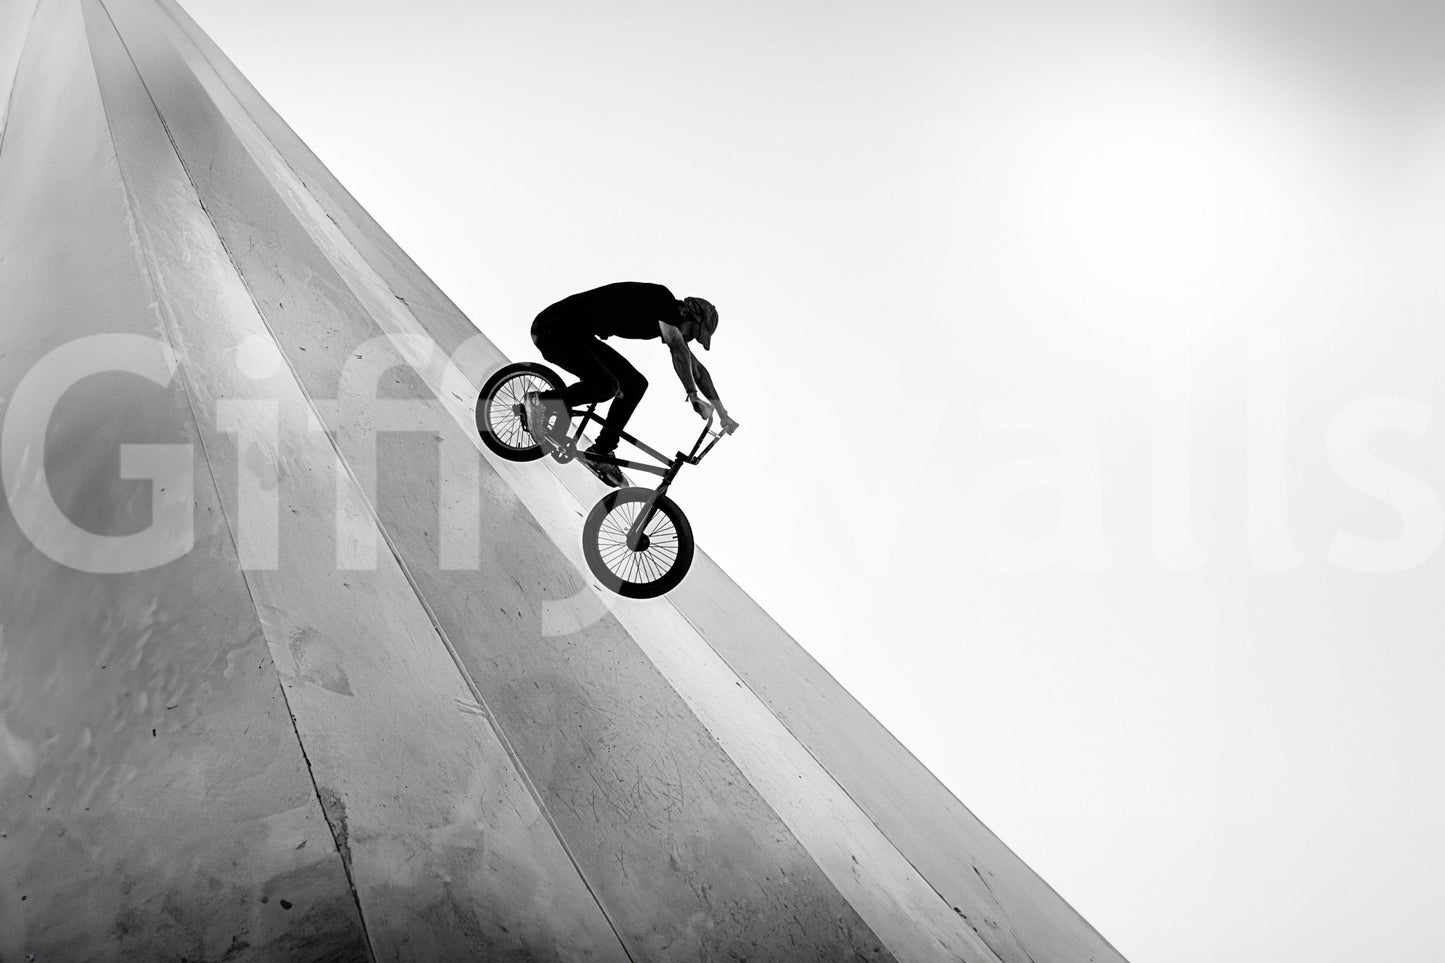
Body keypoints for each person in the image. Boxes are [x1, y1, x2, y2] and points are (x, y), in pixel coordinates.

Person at [525, 281, 739, 486]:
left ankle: (601, 452)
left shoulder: (666, 319)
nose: (688, 340)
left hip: (580, 336)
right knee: (606, 386)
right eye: (691, 333)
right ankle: (541, 402)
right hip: (555, 328)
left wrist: (722, 413)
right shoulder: (662, 299)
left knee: (635, 384)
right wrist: (692, 395)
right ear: (684, 313)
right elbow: (677, 348)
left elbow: (698, 370)